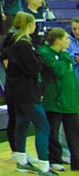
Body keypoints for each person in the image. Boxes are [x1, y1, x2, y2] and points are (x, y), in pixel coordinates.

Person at [7, 12, 55, 175]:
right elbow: (34, 67)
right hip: (26, 92)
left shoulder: (17, 41)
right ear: (30, 25)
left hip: (18, 91)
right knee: (43, 125)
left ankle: (21, 160)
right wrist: (39, 60)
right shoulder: (24, 44)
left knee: (22, 122)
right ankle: (43, 165)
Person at [39, 28, 79, 172]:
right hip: (54, 100)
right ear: (58, 40)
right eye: (66, 39)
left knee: (74, 132)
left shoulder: (65, 54)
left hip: (70, 100)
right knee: (53, 132)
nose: (69, 41)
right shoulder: (45, 53)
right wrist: (63, 56)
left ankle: (76, 160)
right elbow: (59, 70)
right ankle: (55, 159)